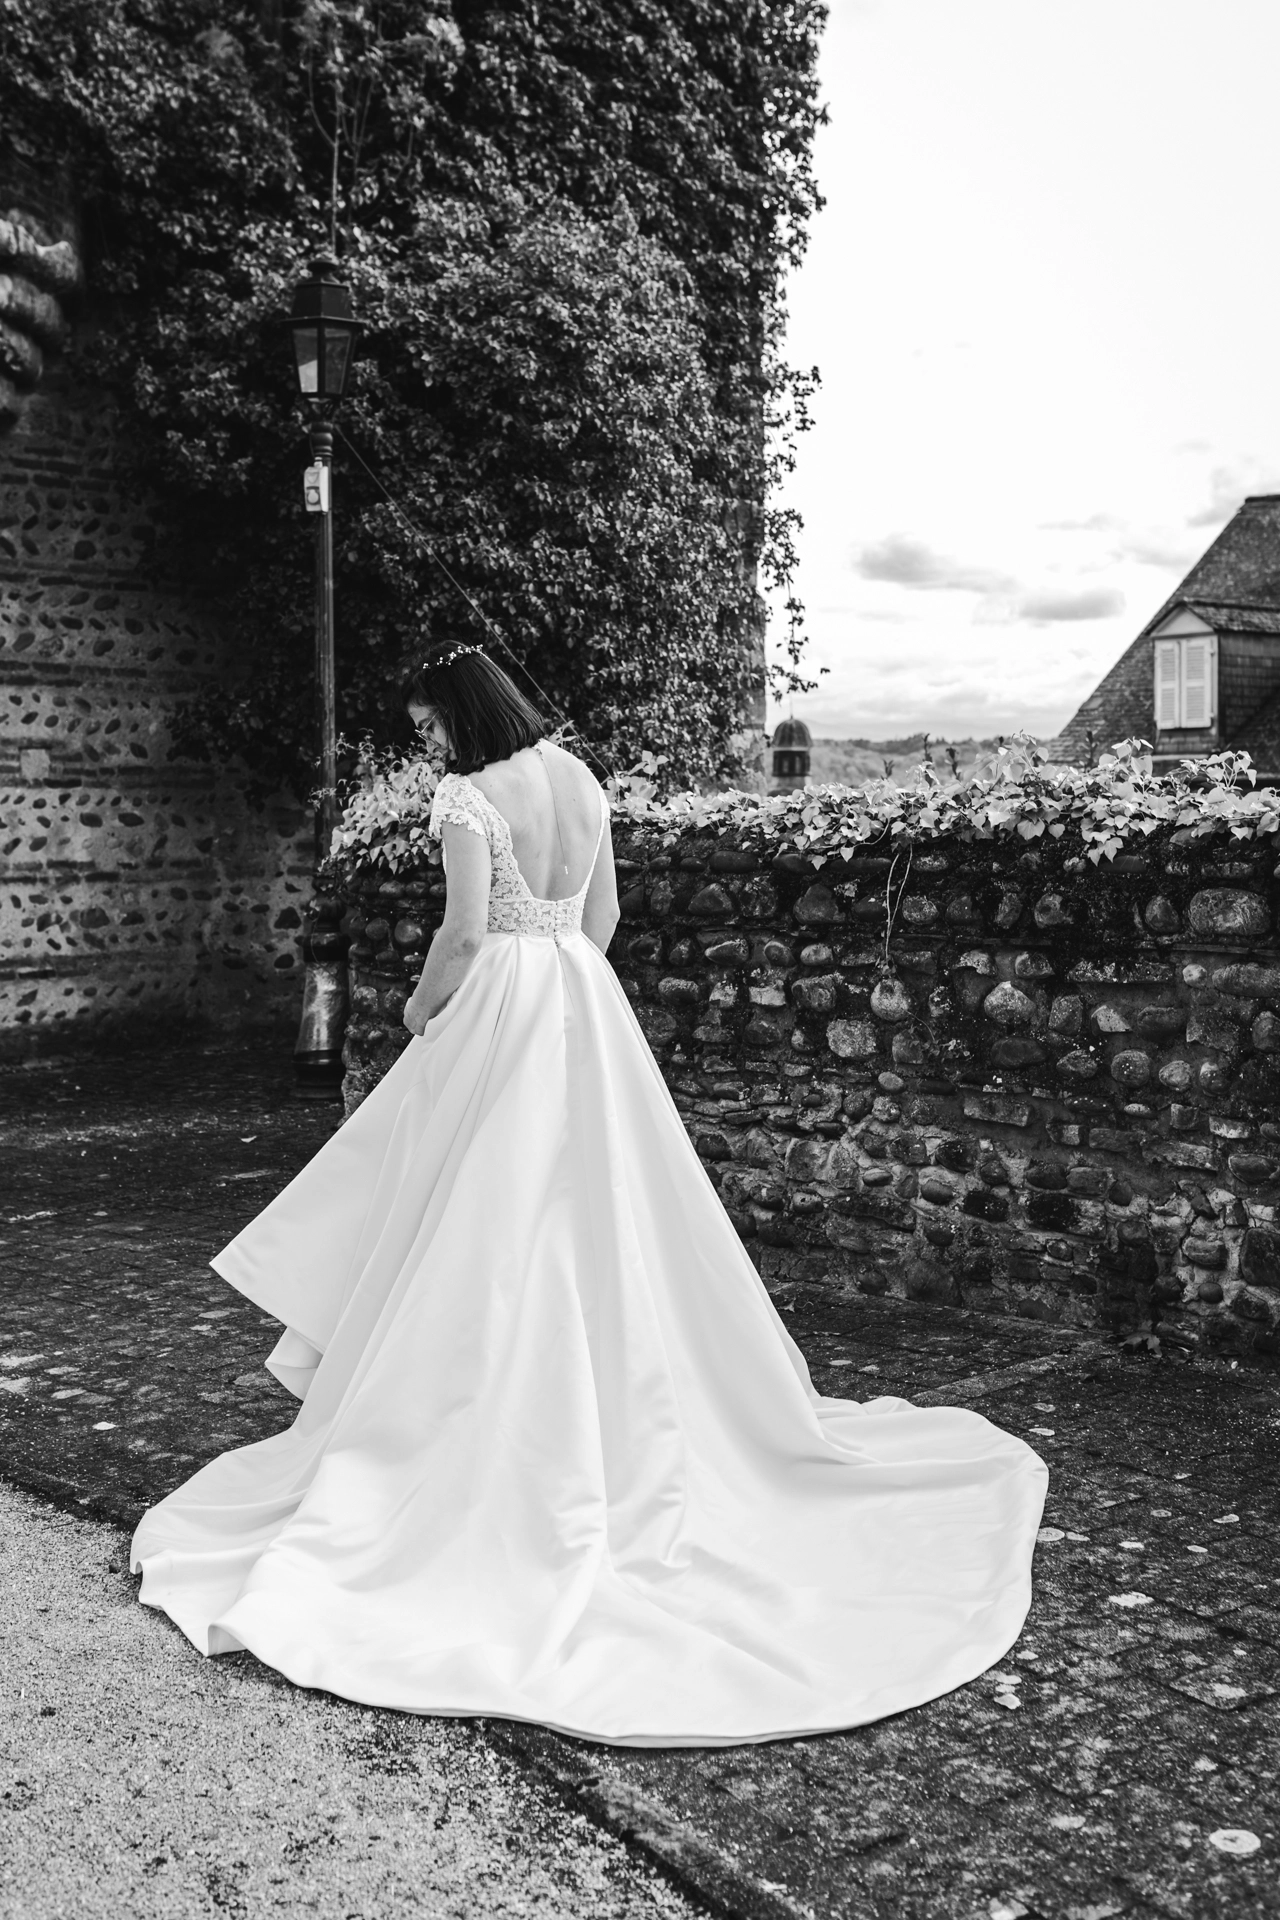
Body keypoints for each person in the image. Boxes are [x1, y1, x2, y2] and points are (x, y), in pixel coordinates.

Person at [131, 643, 1047, 1748]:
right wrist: (564, 979)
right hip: (577, 994)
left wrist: (425, 1013)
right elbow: (602, 921)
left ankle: (483, 1429)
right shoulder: (580, 779)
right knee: (602, 1214)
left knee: (482, 1216)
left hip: (502, 1003)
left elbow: (464, 934)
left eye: (427, 723)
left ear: (461, 717)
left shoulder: (469, 796)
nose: (426, 743)